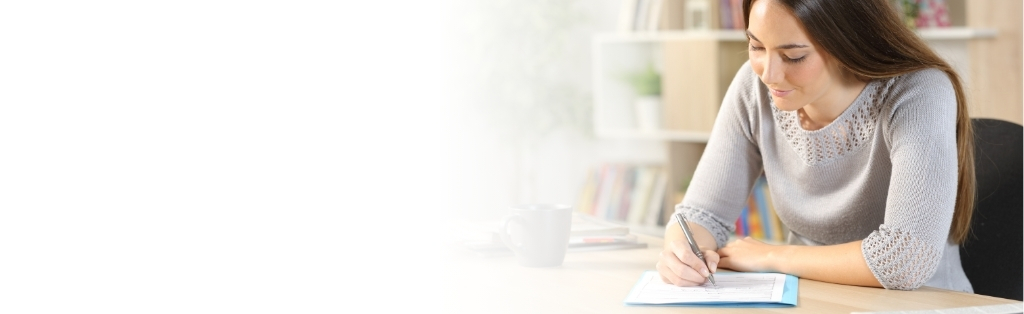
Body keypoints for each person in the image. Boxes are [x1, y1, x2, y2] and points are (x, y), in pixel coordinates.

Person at [655, 0, 976, 292]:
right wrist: (682, 252)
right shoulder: (753, 88)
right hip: (810, 298)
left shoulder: (919, 92)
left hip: (923, 304)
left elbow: (904, 261)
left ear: (847, 43)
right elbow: (702, 213)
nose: (769, 73)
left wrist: (772, 256)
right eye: (755, 46)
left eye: (793, 56)